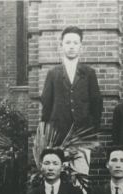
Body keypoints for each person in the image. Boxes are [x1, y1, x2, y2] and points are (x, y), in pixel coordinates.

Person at [41, 26, 102, 175]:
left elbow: (96, 104)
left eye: (75, 42)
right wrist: (48, 135)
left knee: (81, 176)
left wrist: (90, 129)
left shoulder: (88, 73)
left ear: (81, 46)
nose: (71, 46)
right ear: (61, 45)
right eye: (68, 42)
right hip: (58, 137)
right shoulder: (53, 73)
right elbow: (46, 106)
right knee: (60, 176)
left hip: (83, 136)